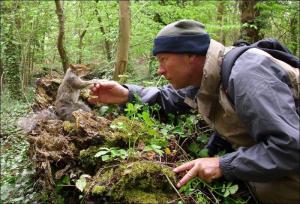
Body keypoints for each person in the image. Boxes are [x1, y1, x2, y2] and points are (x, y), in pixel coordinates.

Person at [89, 20, 300, 204]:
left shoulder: (247, 76)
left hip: (291, 152)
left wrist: (223, 165)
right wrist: (126, 94)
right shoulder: (206, 77)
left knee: (272, 190)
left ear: (189, 55)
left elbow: (290, 146)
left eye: (163, 59)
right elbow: (169, 97)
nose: (159, 70)